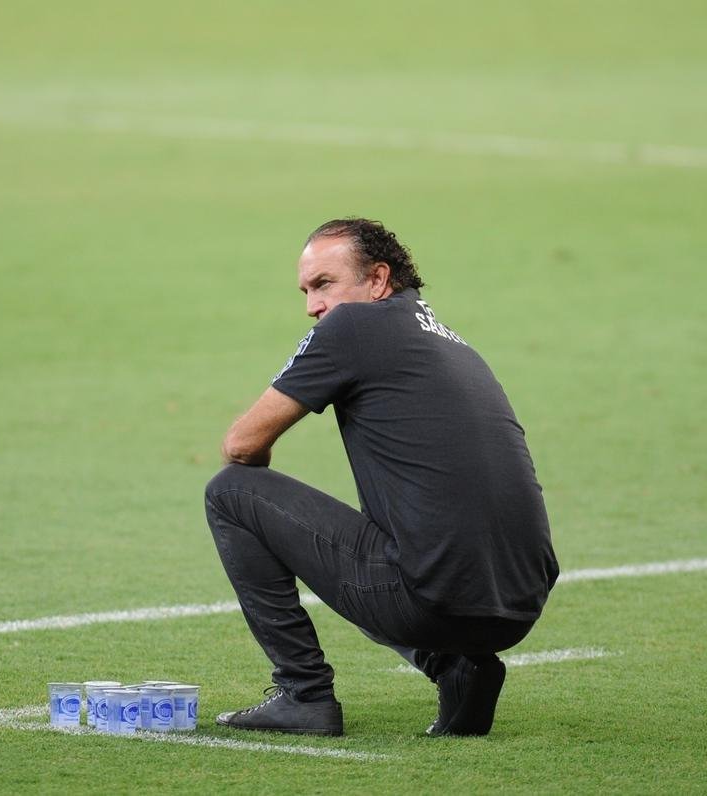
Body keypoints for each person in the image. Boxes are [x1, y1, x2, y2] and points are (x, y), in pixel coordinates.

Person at [204, 218, 558, 737]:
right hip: (519, 605)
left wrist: (274, 521)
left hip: (431, 598)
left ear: (377, 279)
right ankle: (459, 669)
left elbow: (242, 445)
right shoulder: (453, 344)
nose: (311, 306)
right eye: (305, 291)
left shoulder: (352, 327)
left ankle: (304, 693)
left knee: (231, 491)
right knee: (392, 541)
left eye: (324, 284)